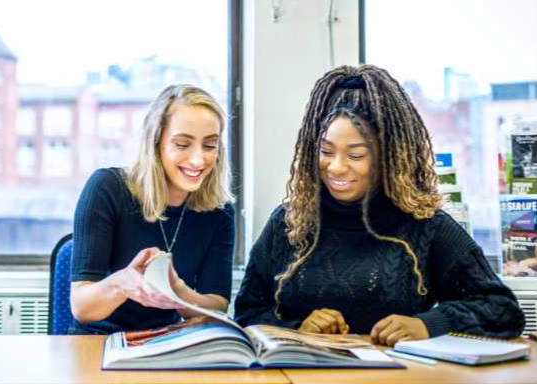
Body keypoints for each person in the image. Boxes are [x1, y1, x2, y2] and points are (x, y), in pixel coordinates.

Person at [234, 65, 525, 346]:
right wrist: (298, 329)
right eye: (326, 151)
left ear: (389, 156)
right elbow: (247, 314)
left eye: (356, 155)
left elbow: (501, 310)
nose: (336, 167)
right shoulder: (289, 222)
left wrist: (427, 324)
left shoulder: (425, 225)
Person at [69, 84, 235, 335]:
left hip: (166, 343)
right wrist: (122, 284)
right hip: (98, 342)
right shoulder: (107, 188)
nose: (198, 159)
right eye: (182, 144)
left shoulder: (219, 212)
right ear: (156, 143)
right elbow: (81, 306)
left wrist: (178, 291)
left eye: (210, 145)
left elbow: (218, 305)